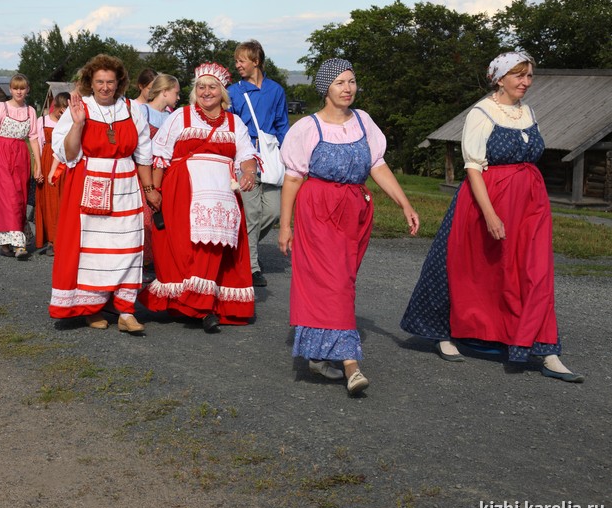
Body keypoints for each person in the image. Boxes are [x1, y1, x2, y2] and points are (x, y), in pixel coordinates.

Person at [401, 51, 583, 383]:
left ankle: (546, 349)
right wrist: (489, 214)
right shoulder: (481, 113)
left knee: (535, 272)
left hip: (530, 203)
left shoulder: (528, 111)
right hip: (487, 200)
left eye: (529, 76)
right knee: (467, 268)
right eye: (519, 76)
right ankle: (446, 333)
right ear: (500, 78)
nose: (526, 83)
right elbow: (472, 167)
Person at [278, 58, 419, 396]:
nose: (347, 88)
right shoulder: (307, 127)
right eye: (340, 82)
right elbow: (294, 178)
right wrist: (286, 226)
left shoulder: (363, 121)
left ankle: (317, 353)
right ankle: (350, 364)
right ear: (325, 88)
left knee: (341, 280)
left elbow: (377, 165)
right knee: (335, 282)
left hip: (354, 209)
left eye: (352, 81)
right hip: (318, 210)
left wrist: (404, 203)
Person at [140, 63, 258, 333]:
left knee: (212, 251)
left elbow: (246, 156)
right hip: (182, 193)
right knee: (184, 249)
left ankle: (201, 306)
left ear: (222, 92)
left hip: (221, 198)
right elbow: (160, 155)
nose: (207, 92)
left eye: (212, 87)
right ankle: (195, 305)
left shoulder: (234, 122)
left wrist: (249, 173)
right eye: (201, 87)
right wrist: (153, 191)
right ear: (195, 91)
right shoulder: (180, 116)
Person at [48, 54, 157, 334]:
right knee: (93, 251)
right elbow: (68, 154)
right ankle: (91, 307)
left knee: (128, 247)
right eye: (99, 82)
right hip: (89, 183)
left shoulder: (133, 109)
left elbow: (143, 154)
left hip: (126, 186)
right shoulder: (79, 108)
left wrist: (149, 189)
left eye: (110, 81)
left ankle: (125, 309)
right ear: (90, 82)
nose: (105, 87)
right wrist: (78, 123)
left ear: (119, 82)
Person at [228, 40, 290, 288]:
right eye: (236, 61)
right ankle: (251, 266)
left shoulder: (276, 90)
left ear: (256, 61)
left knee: (274, 211)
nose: (238, 65)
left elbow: (282, 123)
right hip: (245, 156)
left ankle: (243, 248)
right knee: (251, 213)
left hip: (271, 154)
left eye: (242, 60)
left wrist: (289, 155)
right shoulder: (233, 91)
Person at [0, 74, 43, 259]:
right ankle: (19, 243)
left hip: (20, 156)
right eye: (16, 88)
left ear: (27, 90)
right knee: (7, 197)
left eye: (22, 88)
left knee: (19, 197)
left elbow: (33, 139)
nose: (19, 91)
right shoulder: (1, 108)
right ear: (10, 89)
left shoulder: (30, 111)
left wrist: (38, 165)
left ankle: (7, 245)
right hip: (1, 154)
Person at [137, 73, 180, 266]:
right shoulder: (142, 111)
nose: (178, 97)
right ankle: (144, 261)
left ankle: (160, 259)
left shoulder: (172, 116)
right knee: (146, 217)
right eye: (175, 93)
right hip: (144, 171)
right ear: (164, 92)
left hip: (167, 172)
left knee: (165, 217)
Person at [35, 91, 70, 256]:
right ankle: (50, 240)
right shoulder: (42, 121)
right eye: (61, 110)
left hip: (65, 162)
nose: (62, 113)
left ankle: (64, 239)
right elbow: (39, 145)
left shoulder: (70, 122)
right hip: (48, 160)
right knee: (49, 202)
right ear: (55, 107)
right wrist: (38, 168)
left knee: (64, 200)